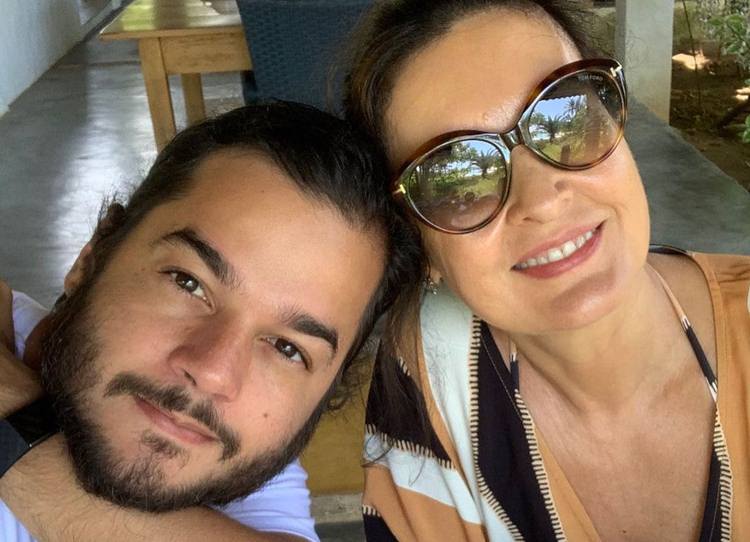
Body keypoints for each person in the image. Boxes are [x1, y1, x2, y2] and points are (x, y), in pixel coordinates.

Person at [344, 1, 750, 540]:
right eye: (456, 178)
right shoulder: (432, 375)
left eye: (568, 116)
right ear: (422, 249)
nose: (542, 200)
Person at [0, 101, 422, 541]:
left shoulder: (230, 454)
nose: (213, 372)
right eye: (188, 283)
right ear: (92, 256)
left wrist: (15, 427)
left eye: (288, 349)